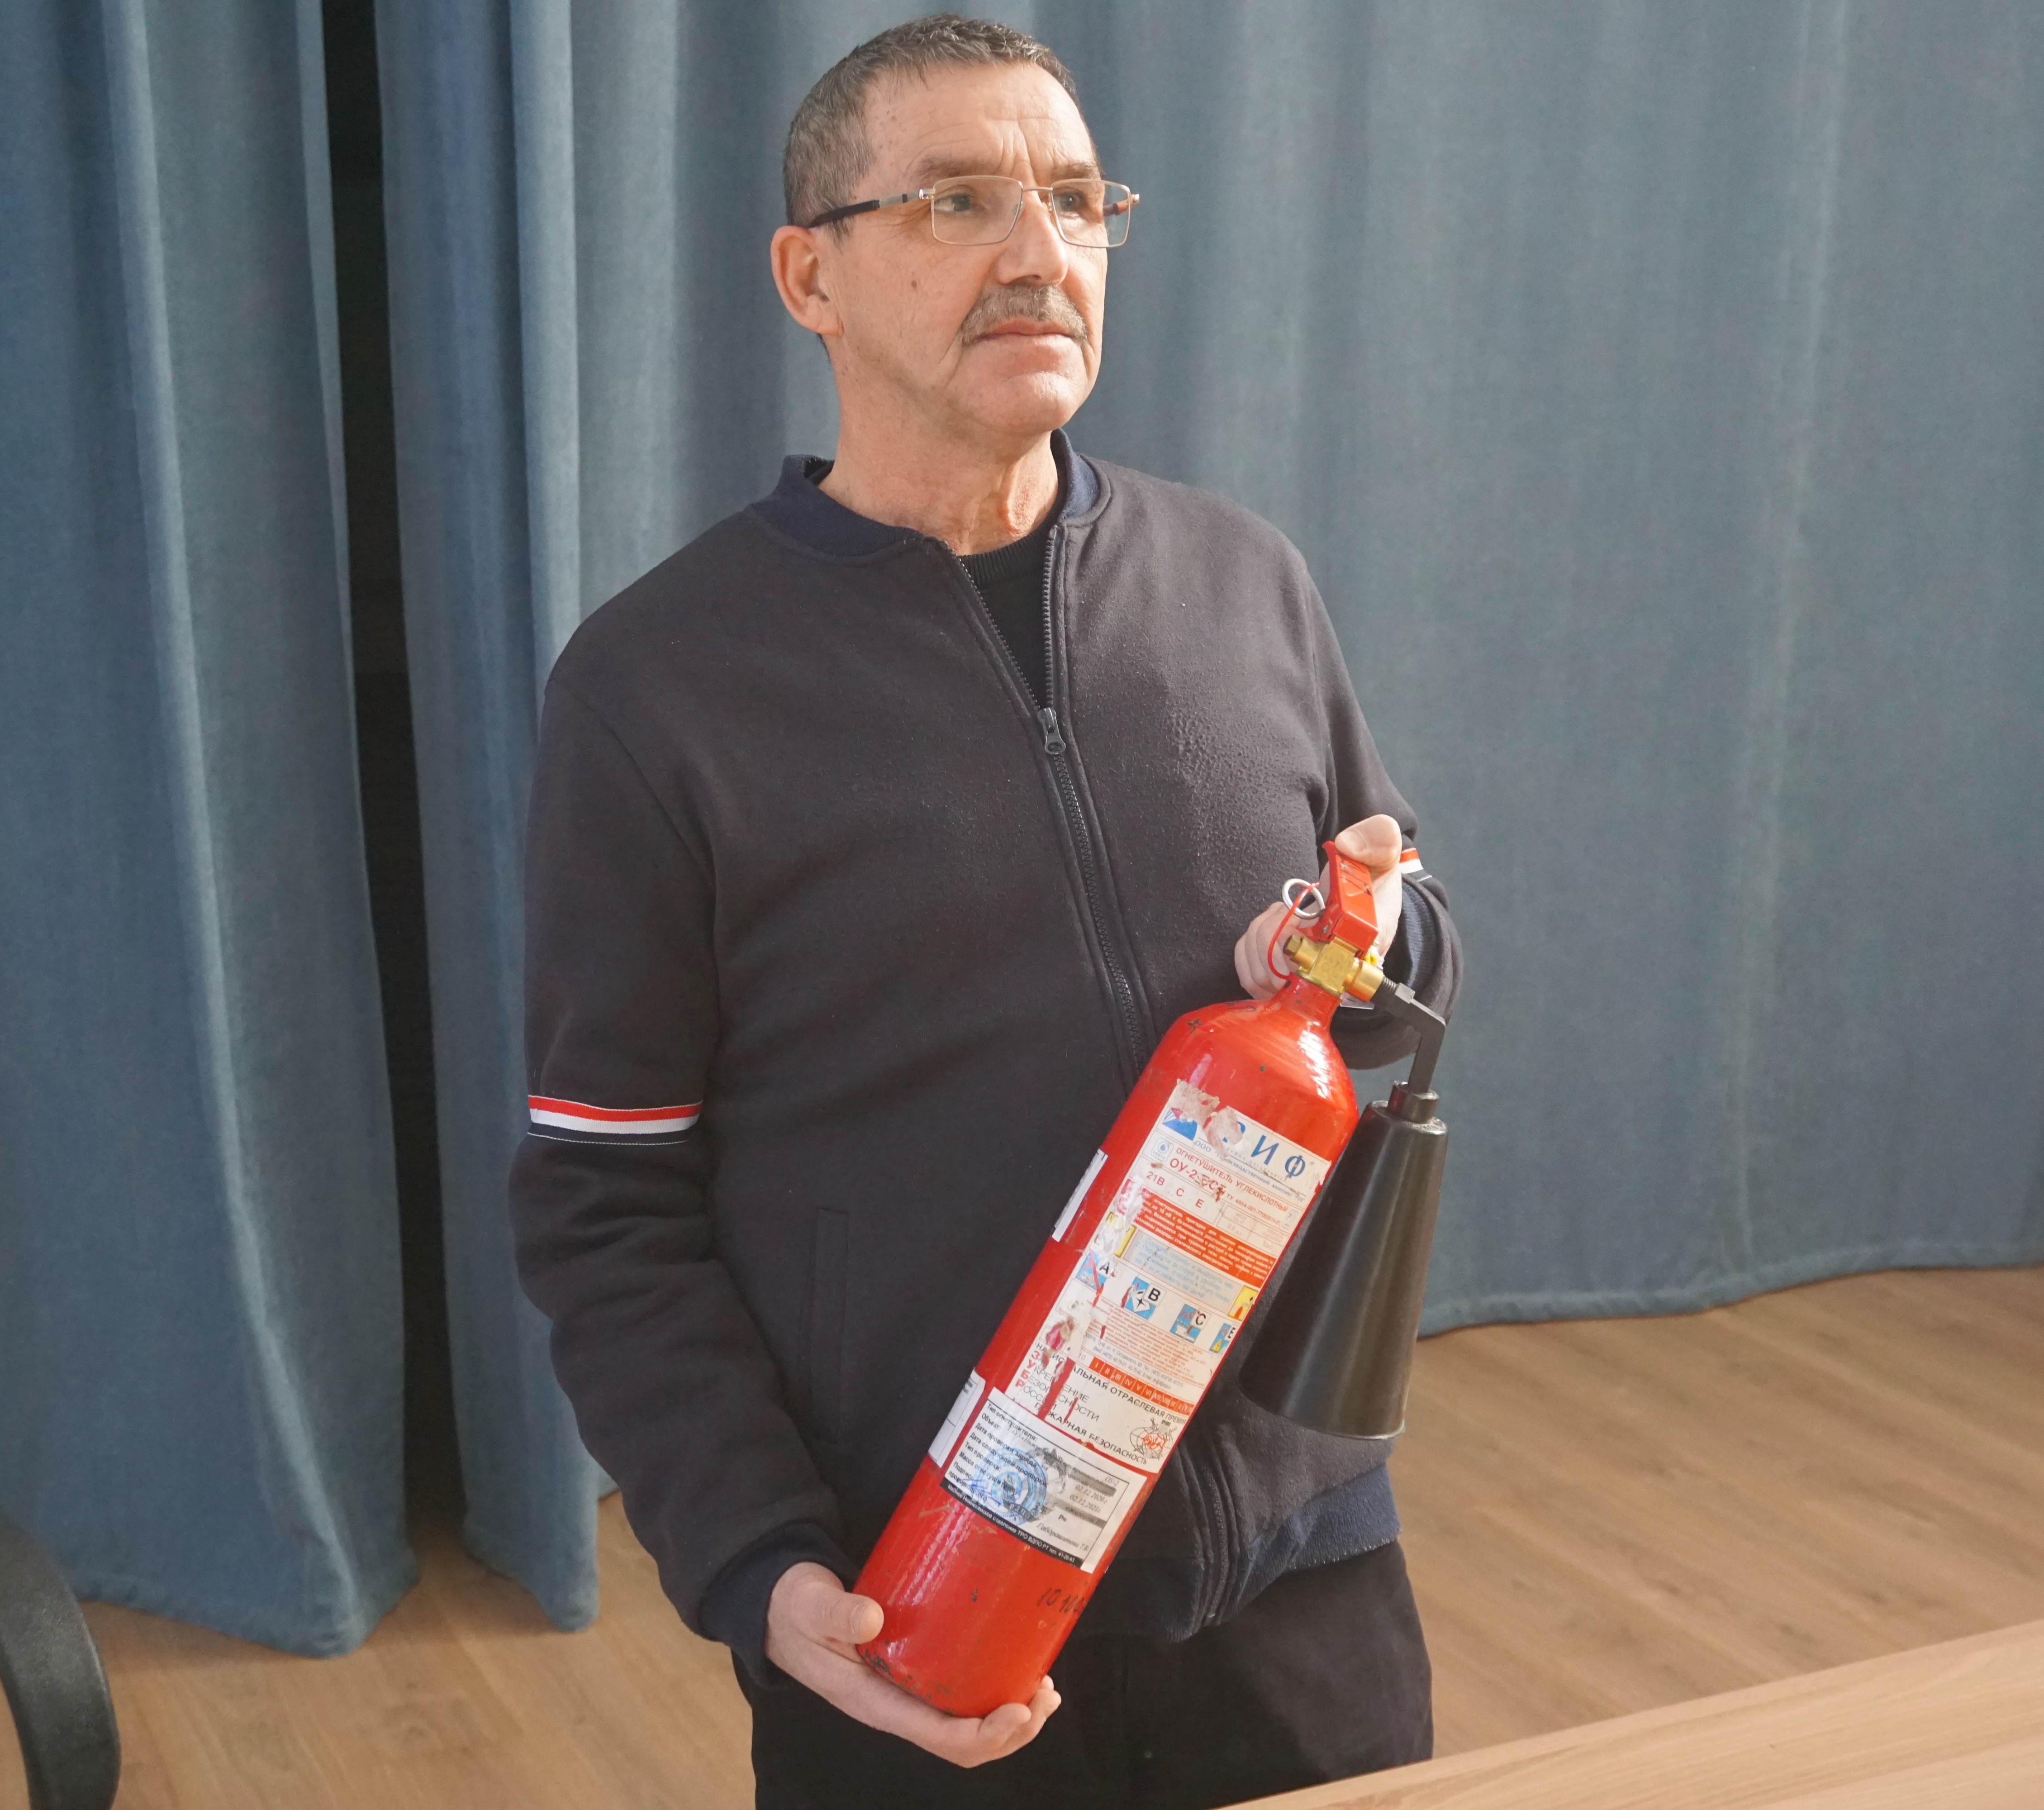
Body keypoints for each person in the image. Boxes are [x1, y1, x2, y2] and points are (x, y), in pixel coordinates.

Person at [509, 15, 1463, 1806]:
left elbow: (1414, 942)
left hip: (1299, 1563)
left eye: (1077, 200)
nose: (1040, 251)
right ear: (811, 276)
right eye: (958, 201)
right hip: (923, 1613)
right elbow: (605, 1202)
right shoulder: (656, 690)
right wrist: (763, 1565)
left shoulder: (1243, 577)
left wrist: (1351, 943)